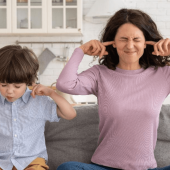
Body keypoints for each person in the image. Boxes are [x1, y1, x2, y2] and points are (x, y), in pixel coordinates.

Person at [56, 8, 170, 170]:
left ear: (146, 43)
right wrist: (80, 51)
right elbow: (65, 84)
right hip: (104, 166)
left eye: (136, 39)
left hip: (144, 168)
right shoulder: (99, 74)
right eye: (123, 39)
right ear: (113, 42)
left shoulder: (163, 74)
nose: (130, 45)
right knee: (67, 167)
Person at [0, 45, 76, 170]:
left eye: (17, 86)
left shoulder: (39, 101)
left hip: (32, 162)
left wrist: (52, 93)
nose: (10, 91)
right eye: (3, 85)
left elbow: (70, 114)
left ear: (28, 82)